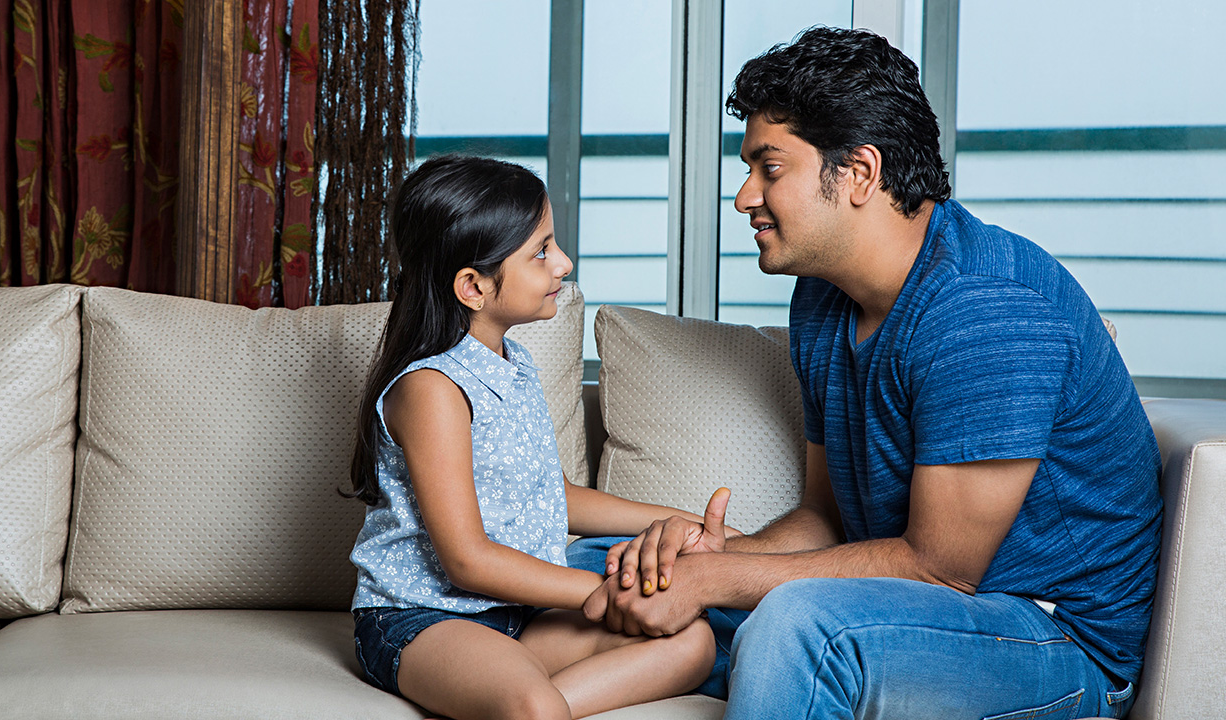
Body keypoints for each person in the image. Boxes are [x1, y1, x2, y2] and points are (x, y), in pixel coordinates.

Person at [580, 26, 1162, 720]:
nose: (743, 199)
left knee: (799, 629)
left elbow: (941, 569)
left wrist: (722, 575)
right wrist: (706, 560)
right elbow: (826, 517)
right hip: (896, 608)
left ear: (858, 172)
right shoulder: (824, 299)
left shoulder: (983, 307)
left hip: (1050, 636)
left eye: (769, 168)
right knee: (605, 567)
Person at [346, 154, 720, 720]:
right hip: (427, 619)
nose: (563, 264)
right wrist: (601, 590)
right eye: (542, 251)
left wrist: (675, 519)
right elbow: (467, 563)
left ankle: (524, 711)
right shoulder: (432, 390)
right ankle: (527, 709)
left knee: (692, 642)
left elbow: (553, 494)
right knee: (532, 704)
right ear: (473, 286)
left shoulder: (514, 365)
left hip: (518, 615)